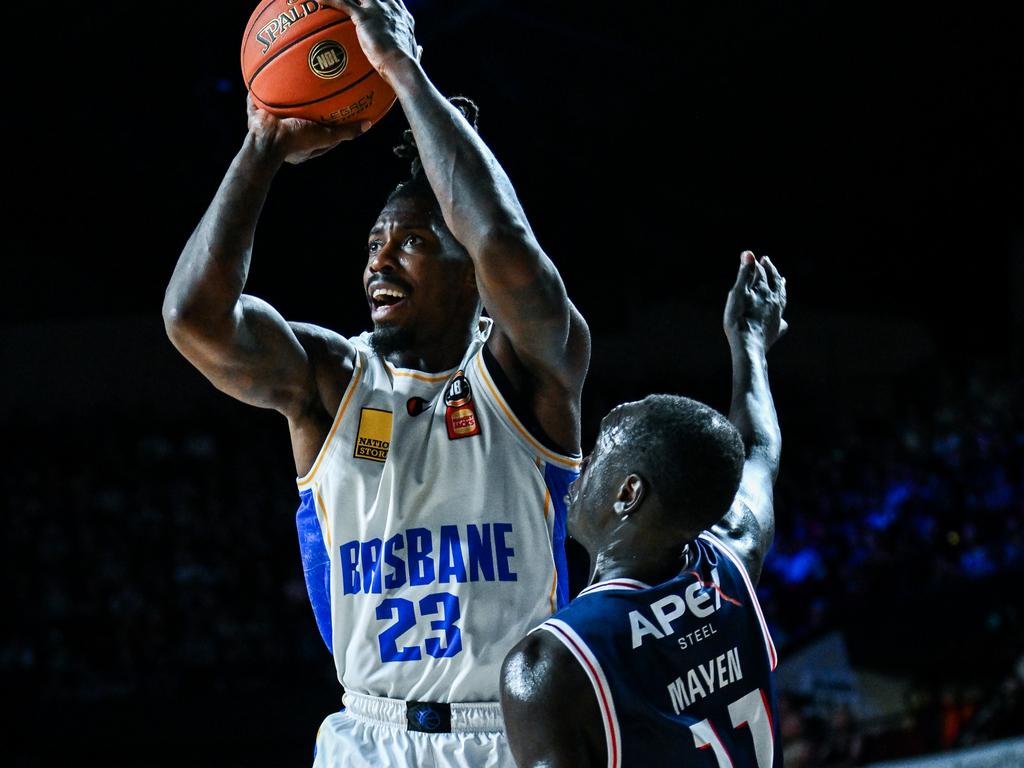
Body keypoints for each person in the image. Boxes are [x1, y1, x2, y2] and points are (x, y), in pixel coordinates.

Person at [161, 1, 590, 764]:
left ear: (470, 274)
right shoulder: (330, 379)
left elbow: (503, 238)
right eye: (374, 243)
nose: (378, 263)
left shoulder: (528, 372)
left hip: (507, 735)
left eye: (413, 243)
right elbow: (192, 316)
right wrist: (262, 147)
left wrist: (399, 67)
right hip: (366, 735)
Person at [500, 251, 787, 768]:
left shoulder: (551, 663)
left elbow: (758, 448)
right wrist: (751, 346)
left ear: (627, 493)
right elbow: (759, 450)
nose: (578, 468)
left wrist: (747, 340)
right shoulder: (733, 560)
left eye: (595, 457)